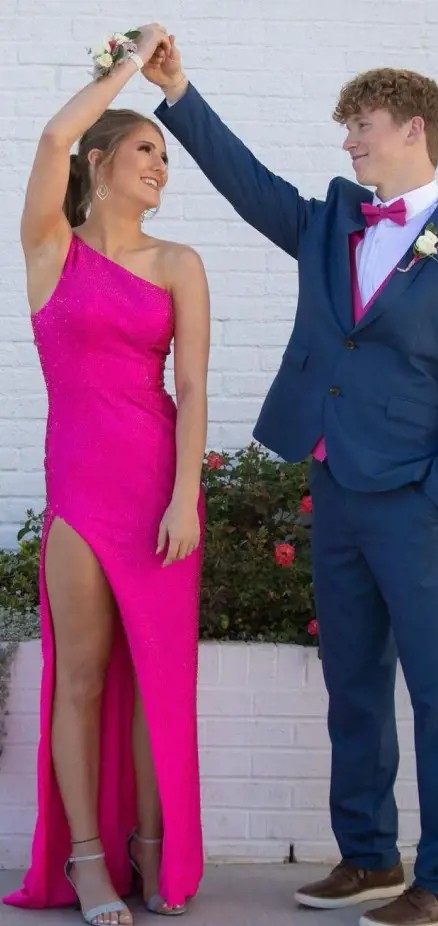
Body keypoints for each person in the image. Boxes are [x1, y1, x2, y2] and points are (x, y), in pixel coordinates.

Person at [143, 37, 438, 926]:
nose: (349, 145)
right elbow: (246, 182)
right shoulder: (329, 223)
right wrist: (180, 91)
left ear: (411, 128)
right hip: (336, 486)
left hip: (418, 499)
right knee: (353, 680)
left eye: (361, 128)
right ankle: (367, 857)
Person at [3, 22, 209, 925]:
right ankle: (87, 860)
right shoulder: (51, 251)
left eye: (165, 155)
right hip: (80, 494)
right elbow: (50, 139)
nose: (161, 166)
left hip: (158, 490)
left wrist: (187, 498)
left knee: (155, 677)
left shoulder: (180, 265)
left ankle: (151, 849)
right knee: (81, 678)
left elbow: (195, 385)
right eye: (144, 150)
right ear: (98, 161)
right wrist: (130, 65)